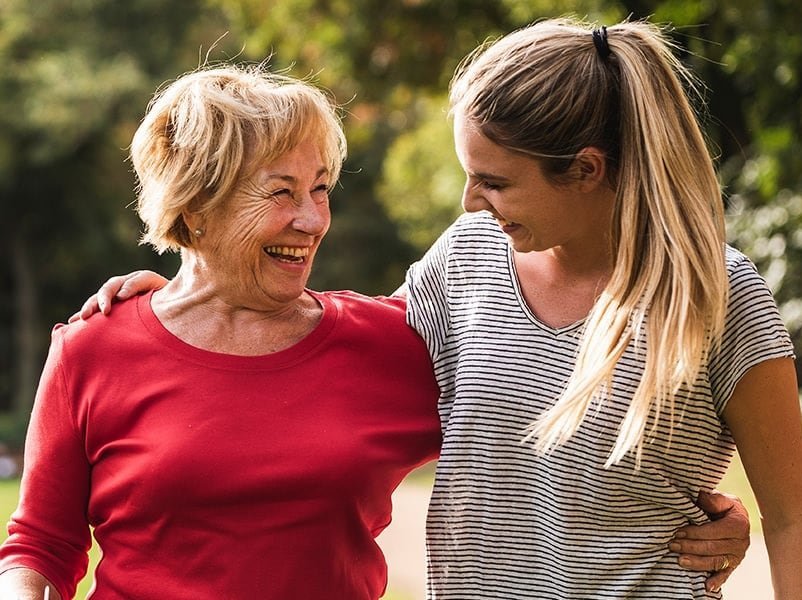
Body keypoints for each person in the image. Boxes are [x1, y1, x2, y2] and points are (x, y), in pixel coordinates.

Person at [65, 19, 763, 598]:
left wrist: (702, 515)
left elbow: (785, 511)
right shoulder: (467, 259)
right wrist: (196, 302)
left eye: (320, 189)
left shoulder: (718, 294)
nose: (469, 204)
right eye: (281, 192)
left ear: (586, 170)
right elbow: (326, 358)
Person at [0, 64, 443, 599]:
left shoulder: (391, 343)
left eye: (320, 188)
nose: (313, 220)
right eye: (281, 193)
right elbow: (41, 545)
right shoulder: (92, 348)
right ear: (195, 206)